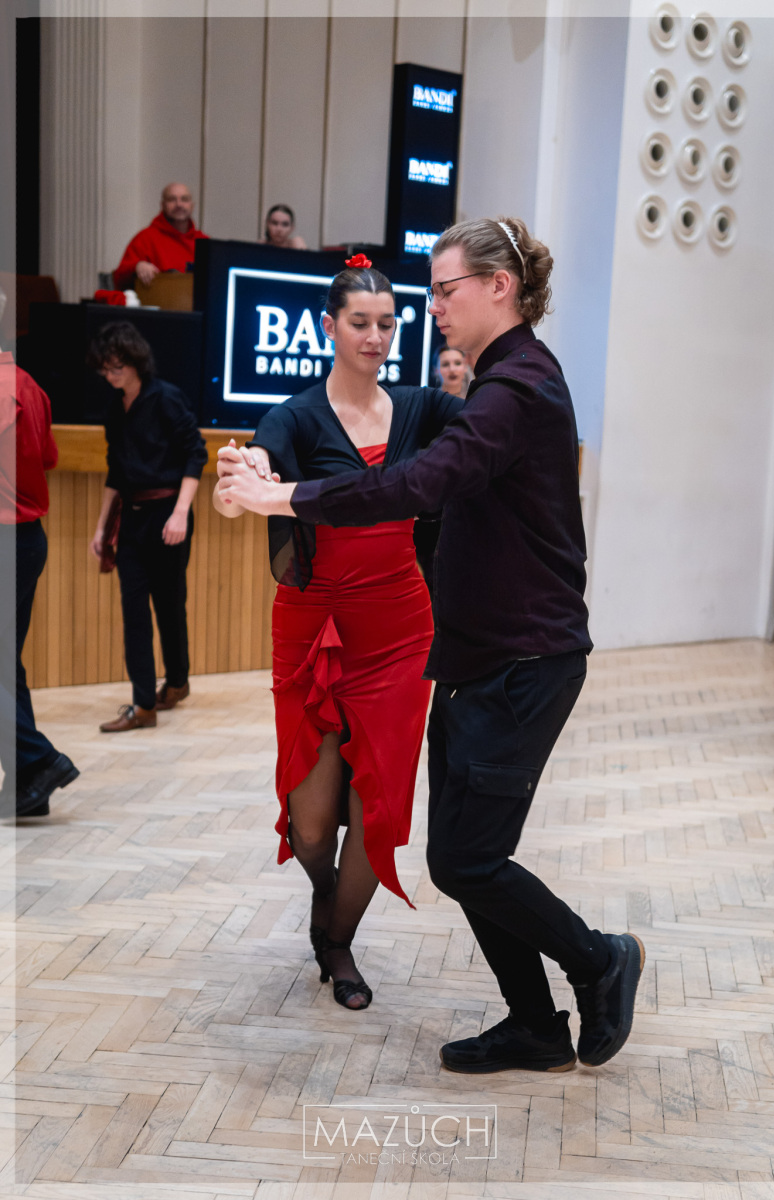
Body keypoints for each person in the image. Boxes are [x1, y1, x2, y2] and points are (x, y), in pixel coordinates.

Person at [217, 217, 645, 1071]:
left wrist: (288, 497)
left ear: (499, 287)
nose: (433, 309)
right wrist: (254, 480)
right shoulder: (499, 384)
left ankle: (601, 959)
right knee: (462, 853)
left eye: (445, 291)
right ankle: (534, 1025)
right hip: (474, 659)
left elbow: (419, 481)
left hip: (525, 660)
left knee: (464, 857)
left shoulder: (516, 390)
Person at [214, 256, 462, 1010]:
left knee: (375, 806)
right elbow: (246, 484)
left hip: (399, 628)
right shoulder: (293, 417)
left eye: (387, 324)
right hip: (314, 625)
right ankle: (325, 892)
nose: (375, 337)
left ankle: (339, 940)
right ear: (329, 326)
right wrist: (241, 480)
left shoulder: (422, 408)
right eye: (360, 323)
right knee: (314, 823)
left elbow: (491, 435)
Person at [88, 322, 207, 731]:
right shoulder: (114, 408)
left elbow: (196, 455)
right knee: (134, 611)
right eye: (104, 369)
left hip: (168, 513)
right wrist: (101, 528)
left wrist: (180, 512)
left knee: (170, 605)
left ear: (135, 361)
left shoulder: (166, 398)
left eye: (116, 367)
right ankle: (143, 706)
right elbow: (115, 473)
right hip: (131, 519)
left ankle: (177, 681)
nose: (110, 375)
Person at [0, 286, 79, 818]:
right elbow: (47, 457)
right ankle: (29, 783)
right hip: (29, 539)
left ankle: (41, 759)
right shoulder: (30, 386)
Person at [113, 182, 208, 290]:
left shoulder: (204, 242)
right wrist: (137, 267)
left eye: (184, 199)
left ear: (192, 205)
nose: (179, 204)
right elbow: (119, 280)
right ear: (162, 205)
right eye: (172, 199)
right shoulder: (145, 238)